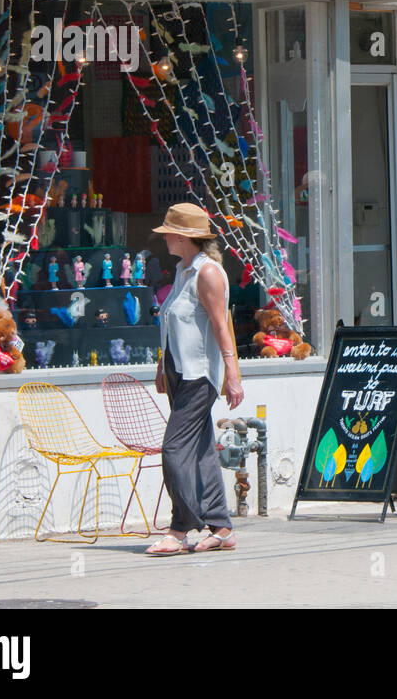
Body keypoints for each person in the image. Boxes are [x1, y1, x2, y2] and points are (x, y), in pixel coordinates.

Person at [144, 203, 244, 555]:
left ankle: (180, 527)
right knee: (200, 449)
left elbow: (220, 325)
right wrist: (162, 364)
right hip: (178, 371)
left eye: (170, 232)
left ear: (185, 237)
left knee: (174, 450)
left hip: (198, 376)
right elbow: (174, 323)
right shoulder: (183, 270)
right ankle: (221, 526)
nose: (165, 237)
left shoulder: (208, 273)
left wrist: (232, 374)